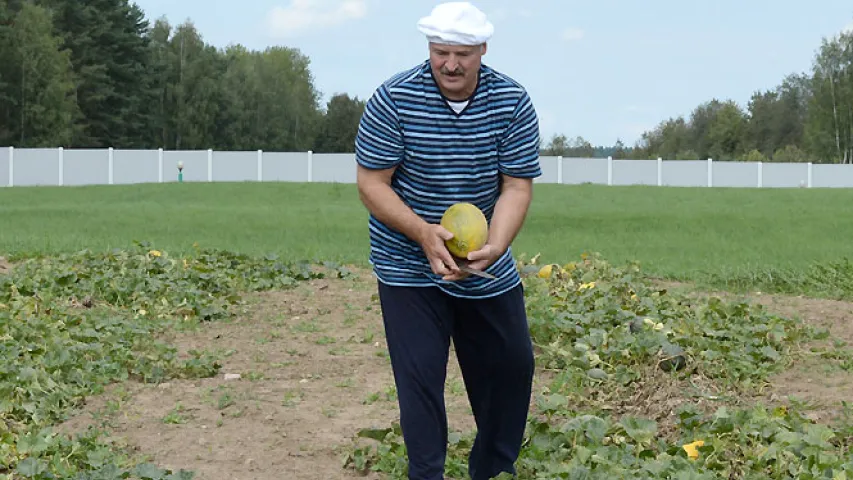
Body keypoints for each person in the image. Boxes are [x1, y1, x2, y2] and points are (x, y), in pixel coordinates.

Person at [354, 2, 541, 479]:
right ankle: (426, 473)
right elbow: (372, 183)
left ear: (482, 50)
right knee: (419, 380)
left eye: (462, 53)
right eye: (441, 52)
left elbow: (516, 186)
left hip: (484, 263)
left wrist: (495, 246)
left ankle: (492, 470)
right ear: (429, 49)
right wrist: (421, 232)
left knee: (512, 368)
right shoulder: (394, 99)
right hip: (407, 264)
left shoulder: (512, 102)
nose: (451, 64)